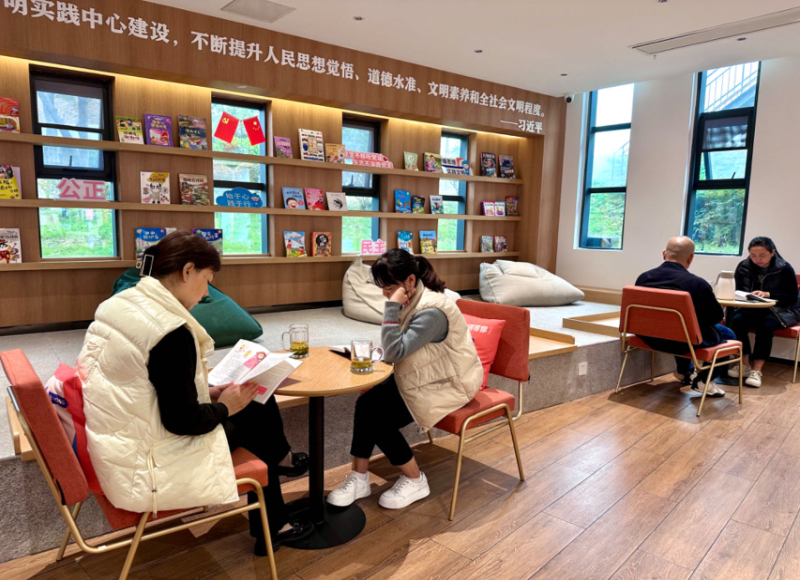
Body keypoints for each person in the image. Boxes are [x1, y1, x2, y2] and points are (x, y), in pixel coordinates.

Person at [76, 231, 312, 555]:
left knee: (251, 402)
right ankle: (276, 501)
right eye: (207, 281)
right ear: (188, 271)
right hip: (151, 462)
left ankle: (279, 481)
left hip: (119, 444)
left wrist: (210, 393)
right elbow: (182, 420)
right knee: (255, 408)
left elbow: (145, 384)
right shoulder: (170, 331)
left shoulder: (120, 304)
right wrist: (225, 407)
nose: (205, 294)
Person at [327, 249, 483, 510]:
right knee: (366, 403)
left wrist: (391, 307)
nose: (385, 295)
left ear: (410, 281)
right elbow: (400, 348)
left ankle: (415, 479)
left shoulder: (432, 311)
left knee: (379, 420)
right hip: (426, 373)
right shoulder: (414, 299)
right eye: (383, 289)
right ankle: (359, 477)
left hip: (449, 382)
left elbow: (395, 352)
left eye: (389, 288)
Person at [635, 236, 736, 397]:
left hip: (650, 337)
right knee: (728, 334)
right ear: (690, 258)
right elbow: (716, 317)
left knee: (679, 328)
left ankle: (686, 372)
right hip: (682, 341)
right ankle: (704, 381)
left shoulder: (643, 278)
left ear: (664, 254)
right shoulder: (697, 284)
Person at [728, 237, 800, 388]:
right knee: (737, 320)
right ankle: (744, 365)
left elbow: (792, 297)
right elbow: (737, 290)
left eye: (762, 255)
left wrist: (768, 294)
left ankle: (756, 370)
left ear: (772, 252)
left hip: (781, 310)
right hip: (752, 307)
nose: (757, 259)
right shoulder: (743, 266)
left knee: (765, 327)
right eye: (753, 255)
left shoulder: (784, 268)